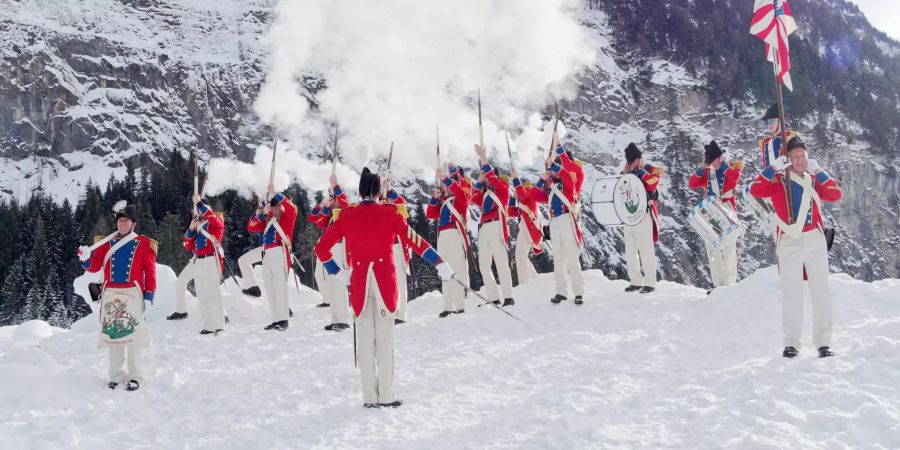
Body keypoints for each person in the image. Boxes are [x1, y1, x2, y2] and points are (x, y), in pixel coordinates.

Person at [316, 168, 454, 408]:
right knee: (385, 342)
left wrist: (338, 273)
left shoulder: (346, 216)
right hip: (384, 284)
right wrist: (439, 263)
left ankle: (369, 397)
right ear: (380, 192)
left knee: (365, 344)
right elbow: (416, 241)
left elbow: (321, 248)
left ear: (359, 192)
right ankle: (387, 396)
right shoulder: (390, 214)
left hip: (358, 284)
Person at [749, 137, 842, 358]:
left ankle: (823, 342)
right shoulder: (778, 180)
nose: (800, 160)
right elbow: (756, 190)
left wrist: (818, 170)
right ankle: (791, 342)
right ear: (787, 159)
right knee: (792, 290)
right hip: (789, 238)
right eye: (795, 157)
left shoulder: (813, 178)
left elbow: (835, 194)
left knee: (820, 289)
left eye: (803, 155)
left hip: (813, 237)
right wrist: (772, 169)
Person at [78, 203, 156, 391]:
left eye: (126, 220)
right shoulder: (106, 243)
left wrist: (149, 296)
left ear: (133, 223)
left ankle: (136, 375)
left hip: (133, 294)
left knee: (133, 337)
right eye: (120, 220)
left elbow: (151, 273)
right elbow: (94, 266)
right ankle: (116, 374)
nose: (122, 223)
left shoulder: (144, 243)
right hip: (111, 295)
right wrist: (84, 259)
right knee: (114, 336)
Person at [535, 137, 585, 304]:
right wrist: (543, 178)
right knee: (558, 259)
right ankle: (561, 292)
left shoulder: (570, 181)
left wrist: (555, 165)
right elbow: (534, 195)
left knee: (572, 258)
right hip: (554, 222)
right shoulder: (550, 186)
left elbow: (568, 176)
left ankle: (578, 292)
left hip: (567, 219)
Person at [688, 140, 743, 290]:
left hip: (726, 208)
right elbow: (692, 183)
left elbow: (734, 178)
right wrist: (702, 168)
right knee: (712, 248)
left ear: (721, 157)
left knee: (729, 249)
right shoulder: (707, 172)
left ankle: (730, 284)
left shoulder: (731, 168)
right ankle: (718, 284)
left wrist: (723, 165)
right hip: (711, 211)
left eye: (717, 159)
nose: (715, 163)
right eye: (712, 161)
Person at [247, 184, 298, 331]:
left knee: (280, 287)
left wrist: (274, 192)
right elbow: (251, 226)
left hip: (279, 252)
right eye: (273, 207)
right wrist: (262, 213)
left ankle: (284, 320)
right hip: (267, 254)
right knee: (269, 287)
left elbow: (291, 207)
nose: (275, 209)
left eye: (277, 207)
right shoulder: (267, 220)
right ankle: (276, 319)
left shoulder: (287, 217)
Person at [471, 144, 515, 306]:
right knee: (484, 264)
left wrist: (483, 159)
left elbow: (494, 180)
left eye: (489, 178)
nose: (488, 180)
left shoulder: (502, 188)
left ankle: (508, 296)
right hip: (484, 228)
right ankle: (494, 296)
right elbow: (474, 198)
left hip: (497, 225)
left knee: (501, 262)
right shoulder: (484, 194)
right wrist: (479, 180)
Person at [426, 163, 472, 317]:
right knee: (443, 269)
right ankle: (448, 306)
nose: (445, 187)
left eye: (448, 184)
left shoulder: (459, 198)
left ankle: (459, 305)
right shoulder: (444, 202)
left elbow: (459, 190)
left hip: (454, 234)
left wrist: (444, 178)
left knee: (457, 270)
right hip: (443, 236)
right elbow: (431, 214)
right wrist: (435, 197)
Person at [309, 176, 352, 331]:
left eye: (334, 198)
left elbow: (345, 202)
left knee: (339, 285)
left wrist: (336, 186)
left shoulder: (346, 209)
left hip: (340, 248)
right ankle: (336, 319)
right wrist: (323, 205)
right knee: (332, 284)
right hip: (329, 249)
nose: (333, 200)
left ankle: (344, 320)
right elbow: (314, 219)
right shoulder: (331, 215)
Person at [621, 143, 663, 294]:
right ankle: (635, 281)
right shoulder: (628, 173)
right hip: (629, 216)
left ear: (639, 160)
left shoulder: (651, 170)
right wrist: (624, 174)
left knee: (646, 249)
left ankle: (650, 282)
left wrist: (640, 171)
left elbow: (652, 185)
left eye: (633, 162)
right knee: (630, 250)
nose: (631, 165)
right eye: (629, 163)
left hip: (644, 214)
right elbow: (621, 192)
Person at [183, 195, 226, 335]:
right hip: (198, 261)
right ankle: (208, 325)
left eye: (201, 209)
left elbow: (215, 221)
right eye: (197, 209)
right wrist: (191, 228)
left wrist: (199, 203)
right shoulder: (197, 226)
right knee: (201, 295)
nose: (200, 212)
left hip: (210, 260)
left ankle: (219, 325)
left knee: (213, 293)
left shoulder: (214, 221)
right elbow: (188, 246)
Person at [382, 179, 413, 324]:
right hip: (384, 249)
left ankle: (401, 315)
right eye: (385, 199)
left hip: (397, 247)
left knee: (400, 281)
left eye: (389, 199)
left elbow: (401, 201)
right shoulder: (381, 212)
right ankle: (391, 310)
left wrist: (389, 190)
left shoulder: (399, 209)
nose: (387, 201)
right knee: (387, 281)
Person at [510, 169, 543, 285]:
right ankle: (532, 278)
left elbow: (523, 195)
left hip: (529, 229)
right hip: (526, 228)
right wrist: (513, 197)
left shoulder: (528, 194)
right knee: (520, 255)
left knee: (520, 255)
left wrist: (515, 179)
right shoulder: (523, 202)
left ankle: (525, 282)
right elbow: (510, 212)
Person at [759, 103, 800, 168]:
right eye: (767, 122)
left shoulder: (791, 137)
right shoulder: (766, 142)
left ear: (781, 121)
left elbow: (800, 162)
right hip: (770, 177)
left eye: (772, 121)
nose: (769, 124)